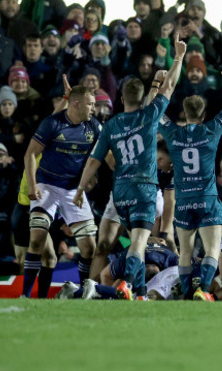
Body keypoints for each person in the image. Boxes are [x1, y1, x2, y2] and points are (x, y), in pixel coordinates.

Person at [74, 33, 186, 300]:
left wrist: (80, 189)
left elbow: (94, 160)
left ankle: (133, 293)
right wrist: (178, 56)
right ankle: (129, 287)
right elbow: (169, 86)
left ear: (121, 99)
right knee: (138, 244)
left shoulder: (112, 125)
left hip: (121, 190)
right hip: (144, 189)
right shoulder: (150, 116)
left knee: (127, 243)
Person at [158, 67, 222, 301]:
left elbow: (155, 108)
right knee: (213, 249)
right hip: (207, 199)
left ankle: (186, 292)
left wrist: (158, 84)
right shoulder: (211, 130)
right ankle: (202, 290)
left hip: (183, 201)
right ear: (204, 115)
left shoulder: (173, 132)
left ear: (184, 113)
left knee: (185, 251)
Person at [21, 80, 101, 299]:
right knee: (37, 238)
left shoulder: (93, 127)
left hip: (73, 190)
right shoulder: (52, 123)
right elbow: (29, 154)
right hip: (46, 185)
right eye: (90, 104)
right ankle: (26, 296)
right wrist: (33, 184)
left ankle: (85, 293)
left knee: (89, 248)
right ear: (75, 104)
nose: (94, 108)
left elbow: (104, 155)